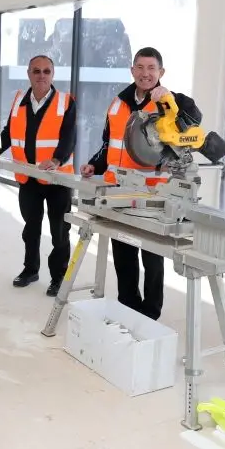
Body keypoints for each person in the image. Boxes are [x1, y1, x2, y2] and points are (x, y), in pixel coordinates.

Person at [81, 47, 202, 320]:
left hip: (152, 196)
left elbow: (195, 118)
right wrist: (94, 164)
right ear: (132, 70)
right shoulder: (118, 103)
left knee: (152, 258)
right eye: (140, 67)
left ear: (161, 73)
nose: (145, 73)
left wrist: (170, 97)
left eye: (151, 68)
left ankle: (150, 314)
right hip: (118, 193)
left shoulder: (169, 102)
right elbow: (108, 143)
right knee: (123, 254)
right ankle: (127, 306)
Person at [0, 55, 76, 297]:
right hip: (28, 178)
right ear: (29, 73)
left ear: (52, 74)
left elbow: (69, 137)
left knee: (59, 231)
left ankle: (58, 278)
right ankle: (30, 270)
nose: (41, 75)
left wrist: (56, 160)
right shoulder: (19, 101)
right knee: (31, 227)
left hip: (57, 179)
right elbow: (9, 131)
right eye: (36, 71)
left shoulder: (65, 102)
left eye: (46, 71)